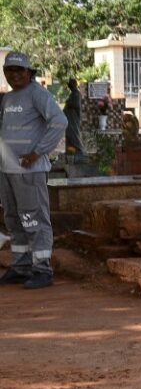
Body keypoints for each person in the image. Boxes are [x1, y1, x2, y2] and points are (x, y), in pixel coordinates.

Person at [1, 50, 68, 289]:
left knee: (33, 218)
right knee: (14, 219)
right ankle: (20, 266)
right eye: (9, 70)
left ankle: (42, 269)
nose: (14, 75)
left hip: (30, 171)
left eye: (20, 70)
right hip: (7, 171)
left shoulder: (38, 94)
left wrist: (37, 152)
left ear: (29, 72)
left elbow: (59, 121)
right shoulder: (7, 99)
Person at [63, 78, 84, 155]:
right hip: (69, 120)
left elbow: (76, 104)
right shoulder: (73, 93)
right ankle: (70, 151)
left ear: (74, 84)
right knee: (69, 136)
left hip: (73, 120)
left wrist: (68, 102)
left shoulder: (76, 94)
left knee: (74, 135)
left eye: (70, 84)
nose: (69, 86)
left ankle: (79, 151)